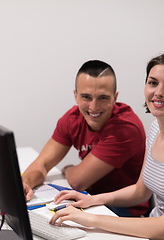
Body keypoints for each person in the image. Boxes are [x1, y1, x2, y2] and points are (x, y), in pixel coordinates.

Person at [49, 51, 164, 239]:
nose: (158, 92)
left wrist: (90, 219)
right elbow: (140, 192)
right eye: (153, 83)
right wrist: (92, 200)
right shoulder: (156, 129)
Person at [22, 60, 148, 217]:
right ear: (75, 95)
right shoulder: (72, 119)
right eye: (86, 97)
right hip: (89, 198)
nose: (93, 107)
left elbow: (78, 181)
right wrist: (25, 183)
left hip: (123, 210)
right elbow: (42, 164)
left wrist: (68, 169)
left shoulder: (125, 129)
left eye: (102, 98)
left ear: (115, 98)